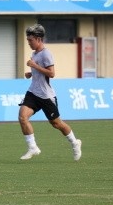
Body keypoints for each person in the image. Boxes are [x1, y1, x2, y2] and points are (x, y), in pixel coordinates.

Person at [18, 24, 82, 161]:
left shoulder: (46, 54)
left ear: (38, 39)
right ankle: (33, 147)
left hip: (46, 96)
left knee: (56, 124)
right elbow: (41, 73)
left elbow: (51, 73)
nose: (28, 43)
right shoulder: (34, 53)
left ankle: (75, 143)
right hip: (33, 92)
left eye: (30, 40)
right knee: (23, 117)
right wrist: (32, 73)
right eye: (28, 40)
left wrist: (35, 66)